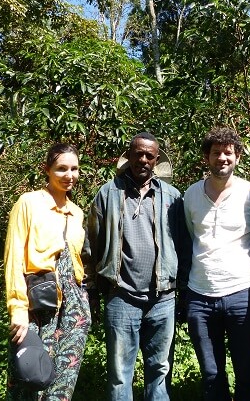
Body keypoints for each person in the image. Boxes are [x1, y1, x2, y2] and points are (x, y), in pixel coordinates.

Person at [83, 132, 187, 401]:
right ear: (128, 156)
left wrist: (184, 291)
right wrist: (92, 286)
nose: (143, 159)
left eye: (149, 155)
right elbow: (91, 243)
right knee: (120, 374)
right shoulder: (108, 193)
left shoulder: (172, 197)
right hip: (121, 296)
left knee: (160, 371)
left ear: (156, 159)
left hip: (163, 299)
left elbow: (184, 245)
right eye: (138, 154)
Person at [181, 128, 250, 401]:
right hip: (200, 297)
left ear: (237, 157)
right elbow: (192, 238)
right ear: (206, 157)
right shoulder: (191, 195)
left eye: (228, 152)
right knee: (211, 376)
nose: (222, 158)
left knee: (247, 375)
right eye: (216, 152)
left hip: (243, 295)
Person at [4, 143, 91, 400]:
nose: (69, 175)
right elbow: (13, 258)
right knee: (29, 379)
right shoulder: (29, 203)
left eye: (74, 169)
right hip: (38, 305)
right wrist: (18, 310)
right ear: (47, 170)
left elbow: (77, 262)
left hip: (73, 308)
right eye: (61, 169)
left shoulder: (76, 213)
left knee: (63, 384)